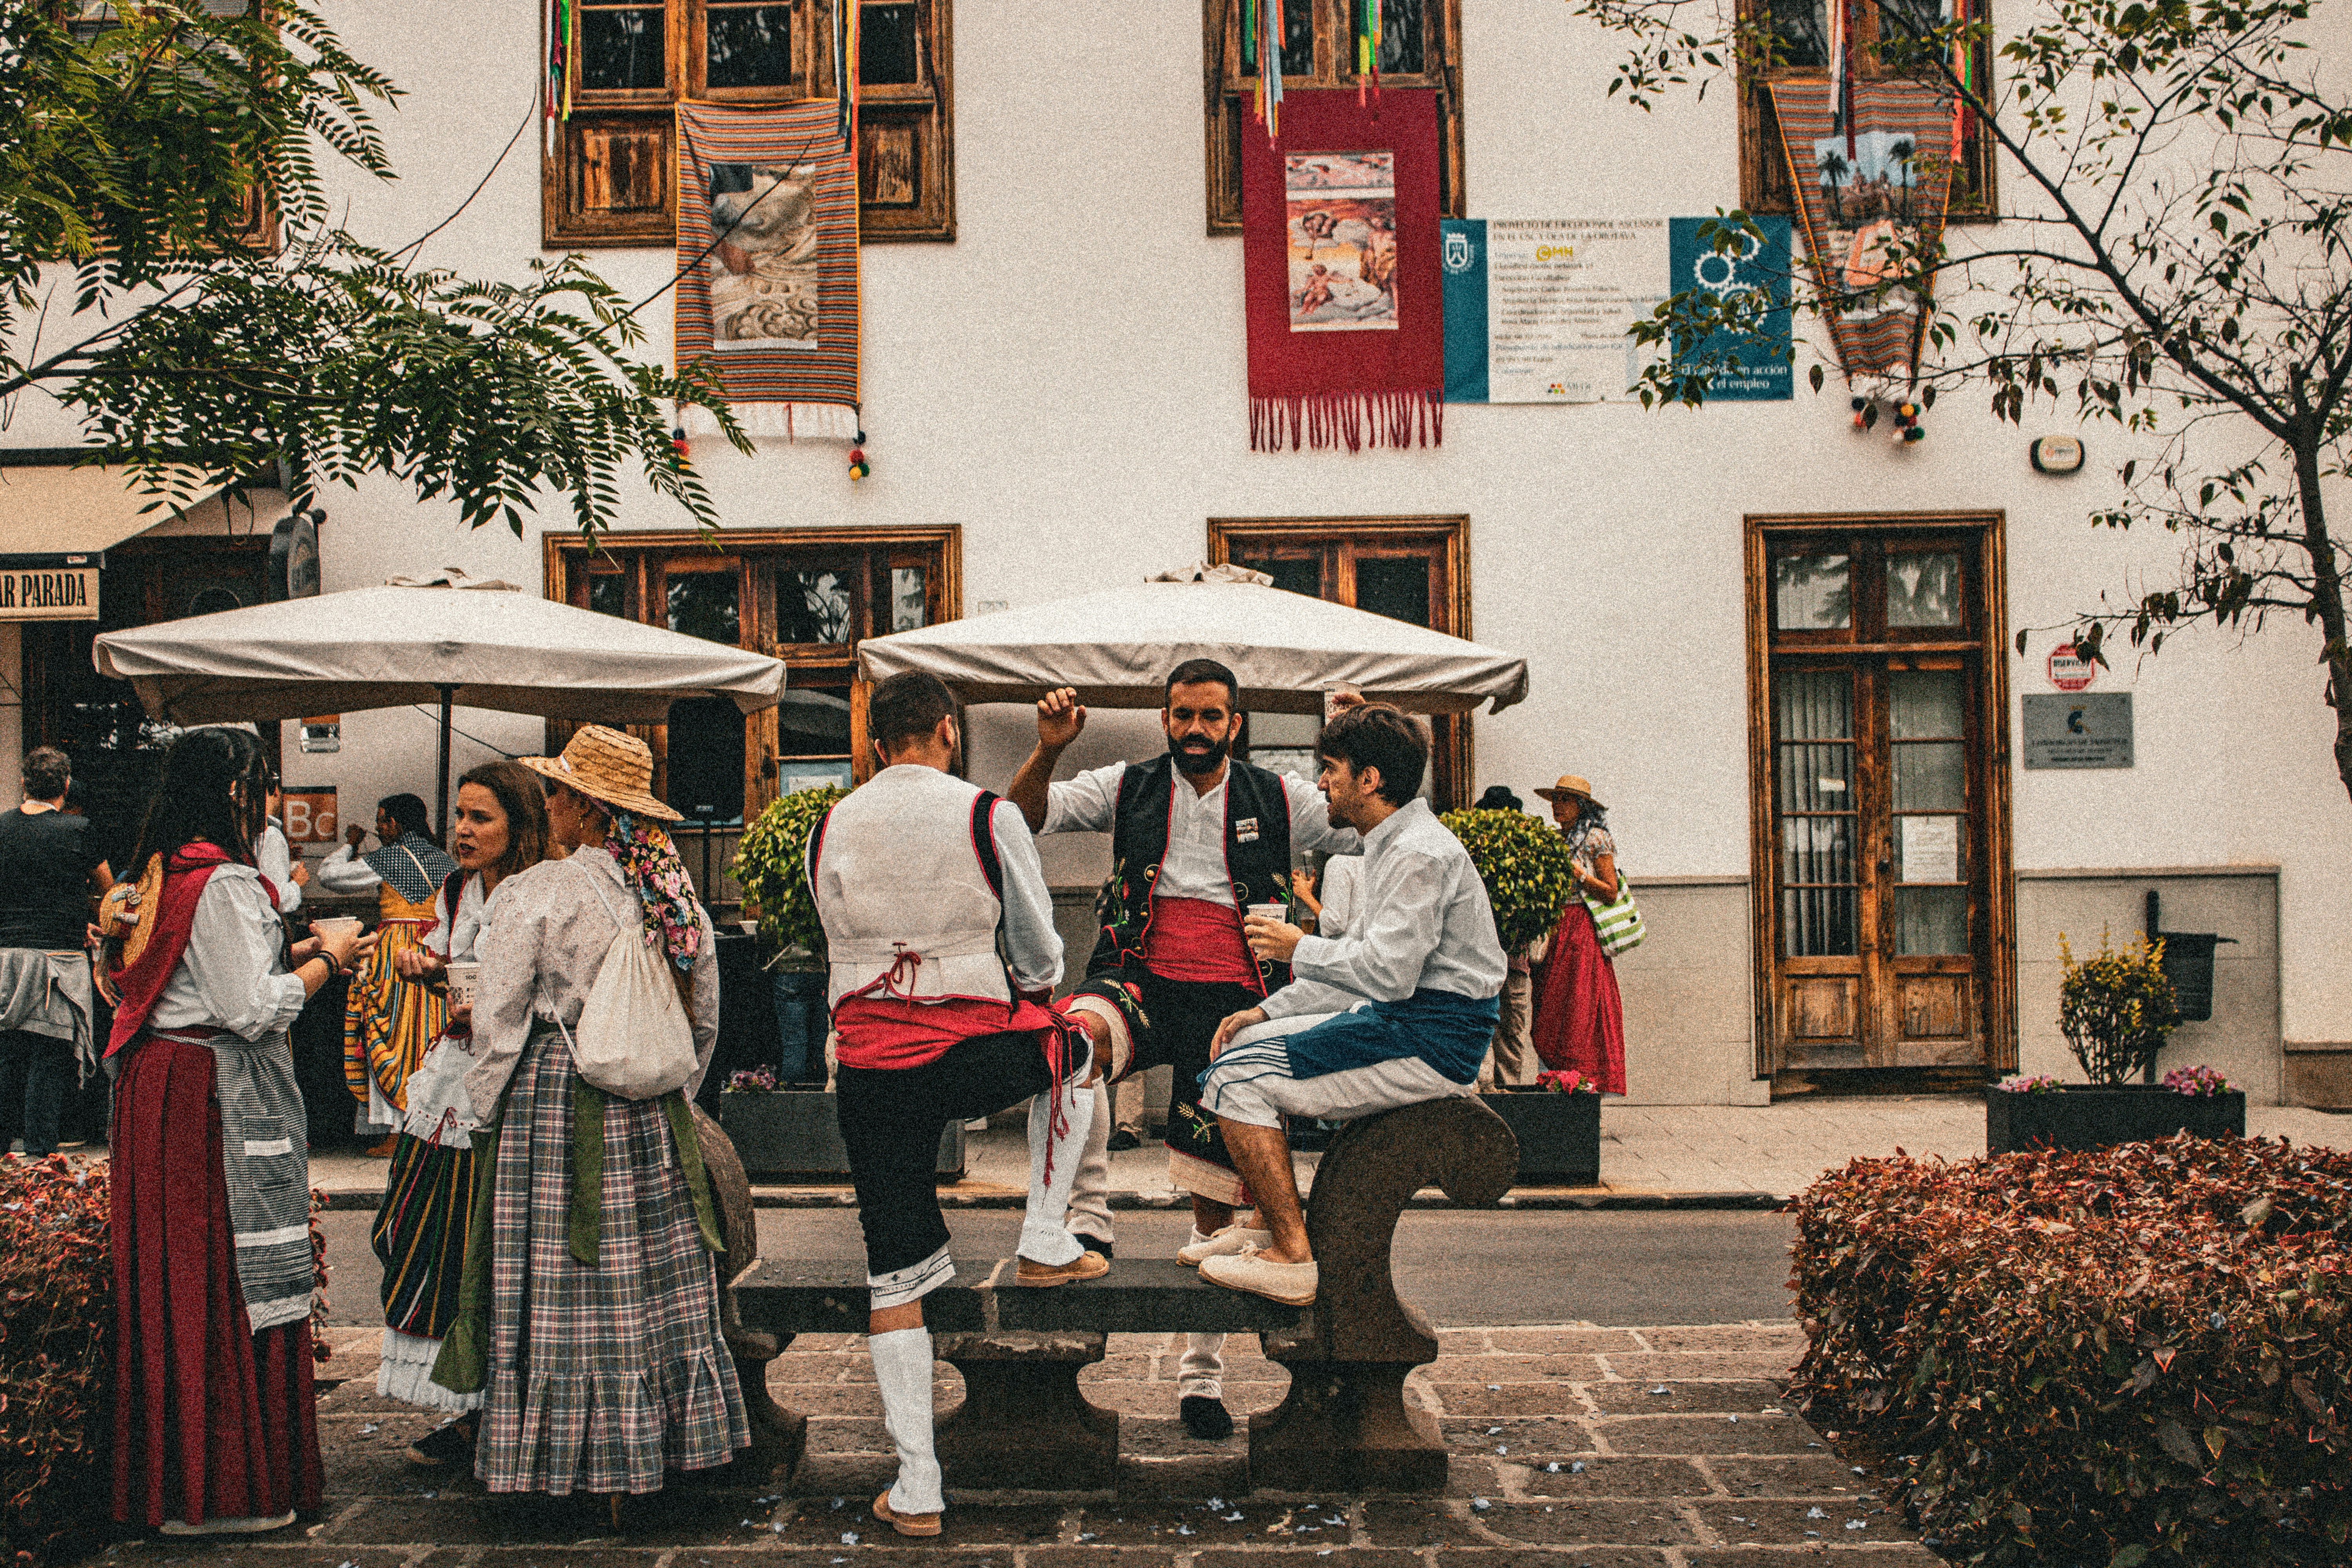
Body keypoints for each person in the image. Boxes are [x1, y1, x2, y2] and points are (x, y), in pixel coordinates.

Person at [1005, 660, 1361, 1442]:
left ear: (1236, 722)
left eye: (1210, 716)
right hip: (1138, 977)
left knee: (1215, 1207)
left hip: (1233, 1007)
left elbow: (1360, 821)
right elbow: (1026, 814)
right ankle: (1088, 1219)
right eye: (1182, 715)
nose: (1195, 729)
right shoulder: (1126, 784)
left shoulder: (1280, 796)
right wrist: (1048, 749)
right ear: (1165, 717)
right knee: (1072, 1043)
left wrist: (1352, 739)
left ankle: (1201, 1378)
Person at [814, 672, 1129, 1537]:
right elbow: (1036, 945)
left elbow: (831, 929)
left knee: (896, 1271)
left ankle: (918, 1483)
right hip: (965, 1049)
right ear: (948, 731)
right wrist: (1026, 998)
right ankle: (1043, 1233)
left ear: (878, 744)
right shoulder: (986, 813)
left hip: (871, 1068)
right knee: (1075, 1048)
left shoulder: (830, 822)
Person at [448, 726, 745, 1507]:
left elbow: (501, 1018)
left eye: (556, 791)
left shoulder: (537, 894)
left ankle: (571, 1464)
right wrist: (671, 1090)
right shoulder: (674, 899)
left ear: (584, 805)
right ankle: (651, 1451)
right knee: (644, 1279)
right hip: (649, 1111)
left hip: (557, 1099)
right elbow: (702, 1018)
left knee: (567, 1282)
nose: (547, 804)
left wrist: (484, 1109)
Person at [101, 727, 376, 1534]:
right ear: (233, 789)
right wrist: (327, 958)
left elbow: (204, 972)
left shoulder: (158, 873)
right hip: (205, 1092)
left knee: (178, 1274)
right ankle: (223, 1487)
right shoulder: (219, 880)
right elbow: (247, 1007)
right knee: (219, 1271)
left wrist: (291, 948)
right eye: (258, 783)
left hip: (161, 1082)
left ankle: (177, 1478)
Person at [1194, 704, 1506, 1307]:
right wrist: (1266, 1013)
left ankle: (1291, 1257)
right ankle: (1263, 1226)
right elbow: (1363, 968)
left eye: (1331, 769)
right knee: (1241, 1048)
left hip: (1432, 1039)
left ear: (1371, 780)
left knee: (1235, 1083)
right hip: (1410, 1022)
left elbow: (1385, 975)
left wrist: (1300, 947)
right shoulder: (1394, 845)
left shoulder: (1419, 853)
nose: (1321, 783)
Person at [372, 762, 553, 1465]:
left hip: (511, 1083)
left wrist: (497, 1004)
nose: (464, 831)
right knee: (429, 1232)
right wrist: (428, 966)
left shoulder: (539, 890)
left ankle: (501, 1404)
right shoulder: (452, 887)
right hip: (452, 1077)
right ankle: (465, 1399)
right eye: (460, 817)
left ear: (519, 825)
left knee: (498, 1247)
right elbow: (452, 958)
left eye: (481, 818)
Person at [318, 793, 457, 1152]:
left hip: (397, 953)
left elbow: (329, 876)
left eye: (381, 821)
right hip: (432, 950)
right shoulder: (443, 859)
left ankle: (398, 1131)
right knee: (426, 1035)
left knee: (393, 1035)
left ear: (395, 823)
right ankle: (425, 1124)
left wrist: (348, 845)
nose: (378, 829)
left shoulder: (394, 857)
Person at [0, 746, 111, 1157]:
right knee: (49, 1058)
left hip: (5, 959)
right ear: (66, 785)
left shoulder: (1, 828)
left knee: (7, 1059)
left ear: (24, 783)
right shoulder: (78, 831)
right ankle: (39, 1156)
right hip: (57, 964)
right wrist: (77, 919)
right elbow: (109, 893)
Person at [1527, 774, 1627, 1096]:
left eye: (1565, 800)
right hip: (1555, 929)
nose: (1558, 806)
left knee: (1579, 1005)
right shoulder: (1554, 840)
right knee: (1550, 1004)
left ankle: (1582, 1086)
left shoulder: (1596, 839)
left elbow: (1611, 892)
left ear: (1581, 806)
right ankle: (1553, 1082)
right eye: (1555, 800)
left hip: (1581, 928)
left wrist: (1580, 876)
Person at [1472, 784, 1537, 1091]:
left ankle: (1507, 1092)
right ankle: (1491, 1091)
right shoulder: (1475, 856)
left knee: (1509, 1029)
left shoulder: (1525, 858)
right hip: (1485, 961)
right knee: (1491, 1028)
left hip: (1511, 960)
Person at [257, 779, 312, 916]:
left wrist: (285, 859)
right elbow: (279, 900)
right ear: (275, 791)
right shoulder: (271, 835)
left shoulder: (252, 834)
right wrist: (297, 883)